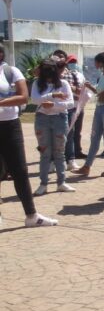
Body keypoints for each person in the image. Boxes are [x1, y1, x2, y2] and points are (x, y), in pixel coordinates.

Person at [0, 44, 58, 228]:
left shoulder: (11, 71)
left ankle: (31, 215)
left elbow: (23, 97)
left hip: (10, 125)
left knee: (20, 171)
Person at [74, 52, 104, 178]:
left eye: (96, 62)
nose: (94, 64)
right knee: (94, 137)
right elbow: (99, 92)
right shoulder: (103, 75)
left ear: (101, 62)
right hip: (100, 108)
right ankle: (87, 167)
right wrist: (91, 87)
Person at [30, 59, 75, 195]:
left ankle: (61, 182)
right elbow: (34, 100)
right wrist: (52, 95)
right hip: (42, 119)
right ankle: (43, 184)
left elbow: (71, 103)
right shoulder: (37, 83)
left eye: (50, 70)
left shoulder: (63, 84)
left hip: (59, 119)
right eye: (45, 70)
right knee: (45, 153)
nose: (48, 74)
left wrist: (53, 105)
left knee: (59, 152)